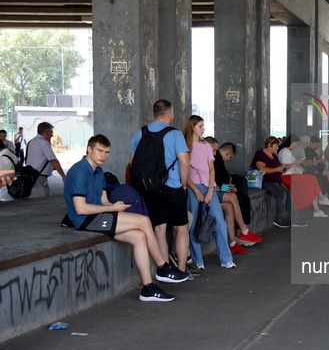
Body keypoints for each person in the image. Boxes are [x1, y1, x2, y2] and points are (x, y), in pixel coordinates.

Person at [65, 135, 188, 302]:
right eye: (100, 151)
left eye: (107, 152)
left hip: (100, 215)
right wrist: (112, 209)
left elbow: (103, 201)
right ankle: (163, 267)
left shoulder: (99, 172)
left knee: (140, 236)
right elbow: (81, 208)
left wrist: (116, 206)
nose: (104, 155)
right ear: (89, 149)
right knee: (144, 221)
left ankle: (148, 288)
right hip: (85, 220)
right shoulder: (79, 171)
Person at [130, 100, 192, 275]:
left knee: (159, 228)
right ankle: (181, 269)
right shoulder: (175, 134)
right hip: (172, 188)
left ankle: (164, 268)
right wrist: (184, 184)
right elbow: (184, 163)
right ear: (169, 114)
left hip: (149, 189)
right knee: (181, 228)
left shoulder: (140, 133)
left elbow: (132, 163)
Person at [182, 115, 237, 269]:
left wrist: (210, 191)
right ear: (192, 126)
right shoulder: (184, 145)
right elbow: (184, 173)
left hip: (209, 186)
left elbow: (211, 169)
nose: (203, 128)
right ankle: (198, 260)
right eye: (200, 126)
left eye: (203, 126)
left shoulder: (206, 145)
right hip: (193, 187)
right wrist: (196, 191)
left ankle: (226, 258)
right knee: (194, 225)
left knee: (219, 221)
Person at [207, 139, 262, 252]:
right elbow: (212, 185)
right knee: (233, 196)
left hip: (215, 189)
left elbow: (217, 182)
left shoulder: (214, 159)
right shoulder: (212, 159)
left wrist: (227, 186)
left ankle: (232, 243)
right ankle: (244, 231)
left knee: (231, 205)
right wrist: (227, 187)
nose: (215, 153)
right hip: (208, 192)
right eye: (213, 150)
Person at [251, 136, 307, 228]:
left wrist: (285, 167)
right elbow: (261, 169)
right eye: (276, 146)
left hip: (277, 181)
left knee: (289, 195)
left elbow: (281, 168)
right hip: (266, 181)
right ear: (269, 145)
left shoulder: (274, 156)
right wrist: (277, 169)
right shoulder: (260, 154)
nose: (278, 148)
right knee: (281, 194)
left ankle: (295, 220)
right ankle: (277, 218)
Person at [278, 135, 329, 218]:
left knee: (312, 181)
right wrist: (295, 163)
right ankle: (320, 201)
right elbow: (283, 169)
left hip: (290, 175)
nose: (297, 146)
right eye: (296, 144)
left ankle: (317, 208)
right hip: (287, 176)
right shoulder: (285, 152)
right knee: (312, 179)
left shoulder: (286, 151)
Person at [26, 122, 67, 198]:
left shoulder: (31, 142)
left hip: (31, 176)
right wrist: (63, 176)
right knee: (43, 201)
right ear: (46, 133)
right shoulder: (44, 143)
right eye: (51, 132)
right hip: (39, 178)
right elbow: (53, 160)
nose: (52, 135)